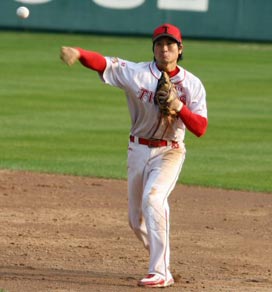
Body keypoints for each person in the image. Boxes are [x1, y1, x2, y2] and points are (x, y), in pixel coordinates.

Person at [60, 23, 208, 288]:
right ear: (153, 48)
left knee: (154, 199)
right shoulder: (137, 73)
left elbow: (200, 128)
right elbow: (103, 64)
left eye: (170, 45)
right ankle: (162, 260)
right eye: (160, 44)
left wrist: (179, 107)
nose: (165, 49)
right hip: (137, 150)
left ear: (180, 49)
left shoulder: (192, 84)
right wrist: (79, 53)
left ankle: (161, 271)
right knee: (135, 220)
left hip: (169, 151)